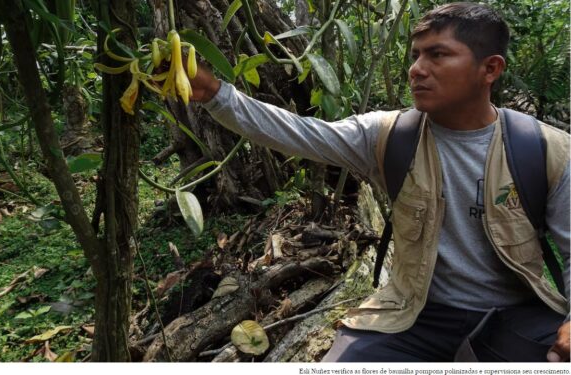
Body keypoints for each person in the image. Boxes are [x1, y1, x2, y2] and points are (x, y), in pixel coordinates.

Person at [187, 2, 570, 362]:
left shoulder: (544, 149)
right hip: (413, 316)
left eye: (437, 55)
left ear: (490, 69)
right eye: (416, 55)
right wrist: (212, 94)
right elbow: (298, 133)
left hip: (517, 315)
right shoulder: (388, 136)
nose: (417, 69)